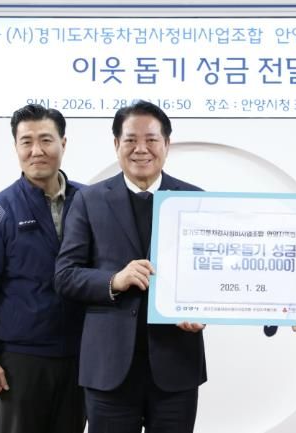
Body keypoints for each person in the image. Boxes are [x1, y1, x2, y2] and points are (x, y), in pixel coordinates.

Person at [55, 100, 206, 433]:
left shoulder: (195, 199)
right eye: (130, 140)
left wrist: (202, 310)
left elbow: (209, 276)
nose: (141, 149)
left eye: (151, 139)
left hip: (176, 365)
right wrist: (114, 280)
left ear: (167, 144)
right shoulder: (89, 200)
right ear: (116, 144)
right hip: (108, 368)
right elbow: (65, 276)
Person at [0, 104, 85, 433]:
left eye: (46, 140)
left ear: (63, 143)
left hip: (81, 356)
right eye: (26, 141)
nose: (36, 150)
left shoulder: (90, 202)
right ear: (16, 147)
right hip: (21, 360)